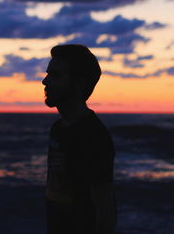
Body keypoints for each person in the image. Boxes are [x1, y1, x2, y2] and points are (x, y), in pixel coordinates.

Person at [42, 44, 117, 234]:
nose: (45, 82)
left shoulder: (93, 135)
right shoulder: (58, 129)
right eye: (48, 74)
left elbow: (105, 208)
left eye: (55, 75)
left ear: (78, 83)